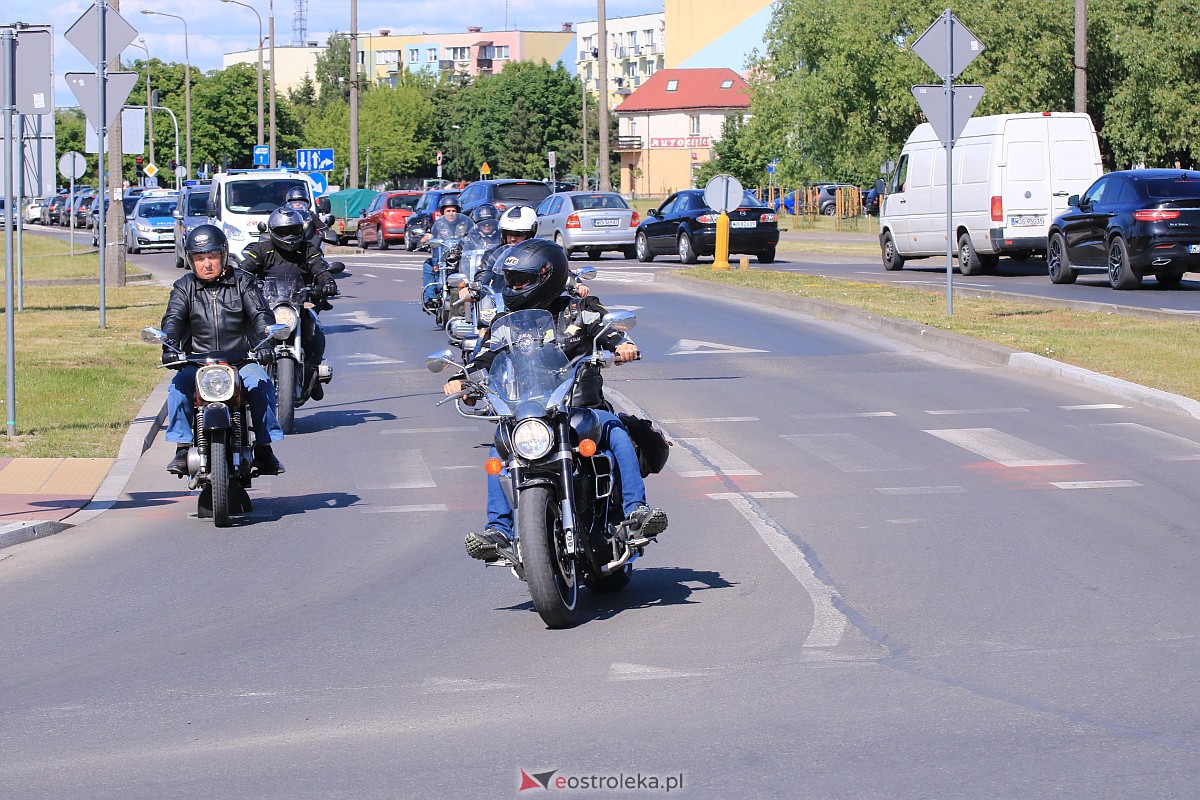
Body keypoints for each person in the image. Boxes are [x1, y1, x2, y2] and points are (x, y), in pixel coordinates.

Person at [443, 239, 667, 562]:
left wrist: (622, 345)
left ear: (547, 275)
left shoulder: (579, 310)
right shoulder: (506, 325)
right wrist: (462, 379)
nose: (515, 287)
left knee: (616, 431)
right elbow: (485, 358)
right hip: (530, 413)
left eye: (522, 280)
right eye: (511, 281)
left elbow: (610, 330)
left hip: (581, 409)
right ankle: (499, 531)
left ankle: (636, 513)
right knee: (499, 445)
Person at [160, 225, 285, 476]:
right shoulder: (184, 287)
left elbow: (260, 315)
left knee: (261, 384)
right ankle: (183, 448)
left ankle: (264, 447)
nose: (207, 263)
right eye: (199, 258)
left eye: (212, 256)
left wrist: (266, 342)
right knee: (177, 389)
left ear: (224, 255)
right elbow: (172, 318)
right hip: (198, 364)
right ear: (191, 260)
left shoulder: (243, 282)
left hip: (240, 359)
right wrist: (169, 346)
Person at [239, 206, 338, 401]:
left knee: (315, 331)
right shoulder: (262, 249)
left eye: (293, 231)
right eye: (283, 232)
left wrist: (327, 282)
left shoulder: (308, 249)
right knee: (246, 335)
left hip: (298, 305)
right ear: (272, 232)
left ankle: (313, 374)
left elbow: (320, 267)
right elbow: (245, 269)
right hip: (268, 306)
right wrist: (240, 282)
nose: (289, 236)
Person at [419, 195, 474, 309]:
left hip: (461, 259)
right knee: (428, 265)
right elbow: (426, 238)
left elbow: (474, 236)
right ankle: (429, 299)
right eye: (448, 210)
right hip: (441, 258)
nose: (451, 213)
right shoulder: (438, 225)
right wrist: (425, 240)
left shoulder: (465, 224)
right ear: (443, 212)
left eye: (454, 210)